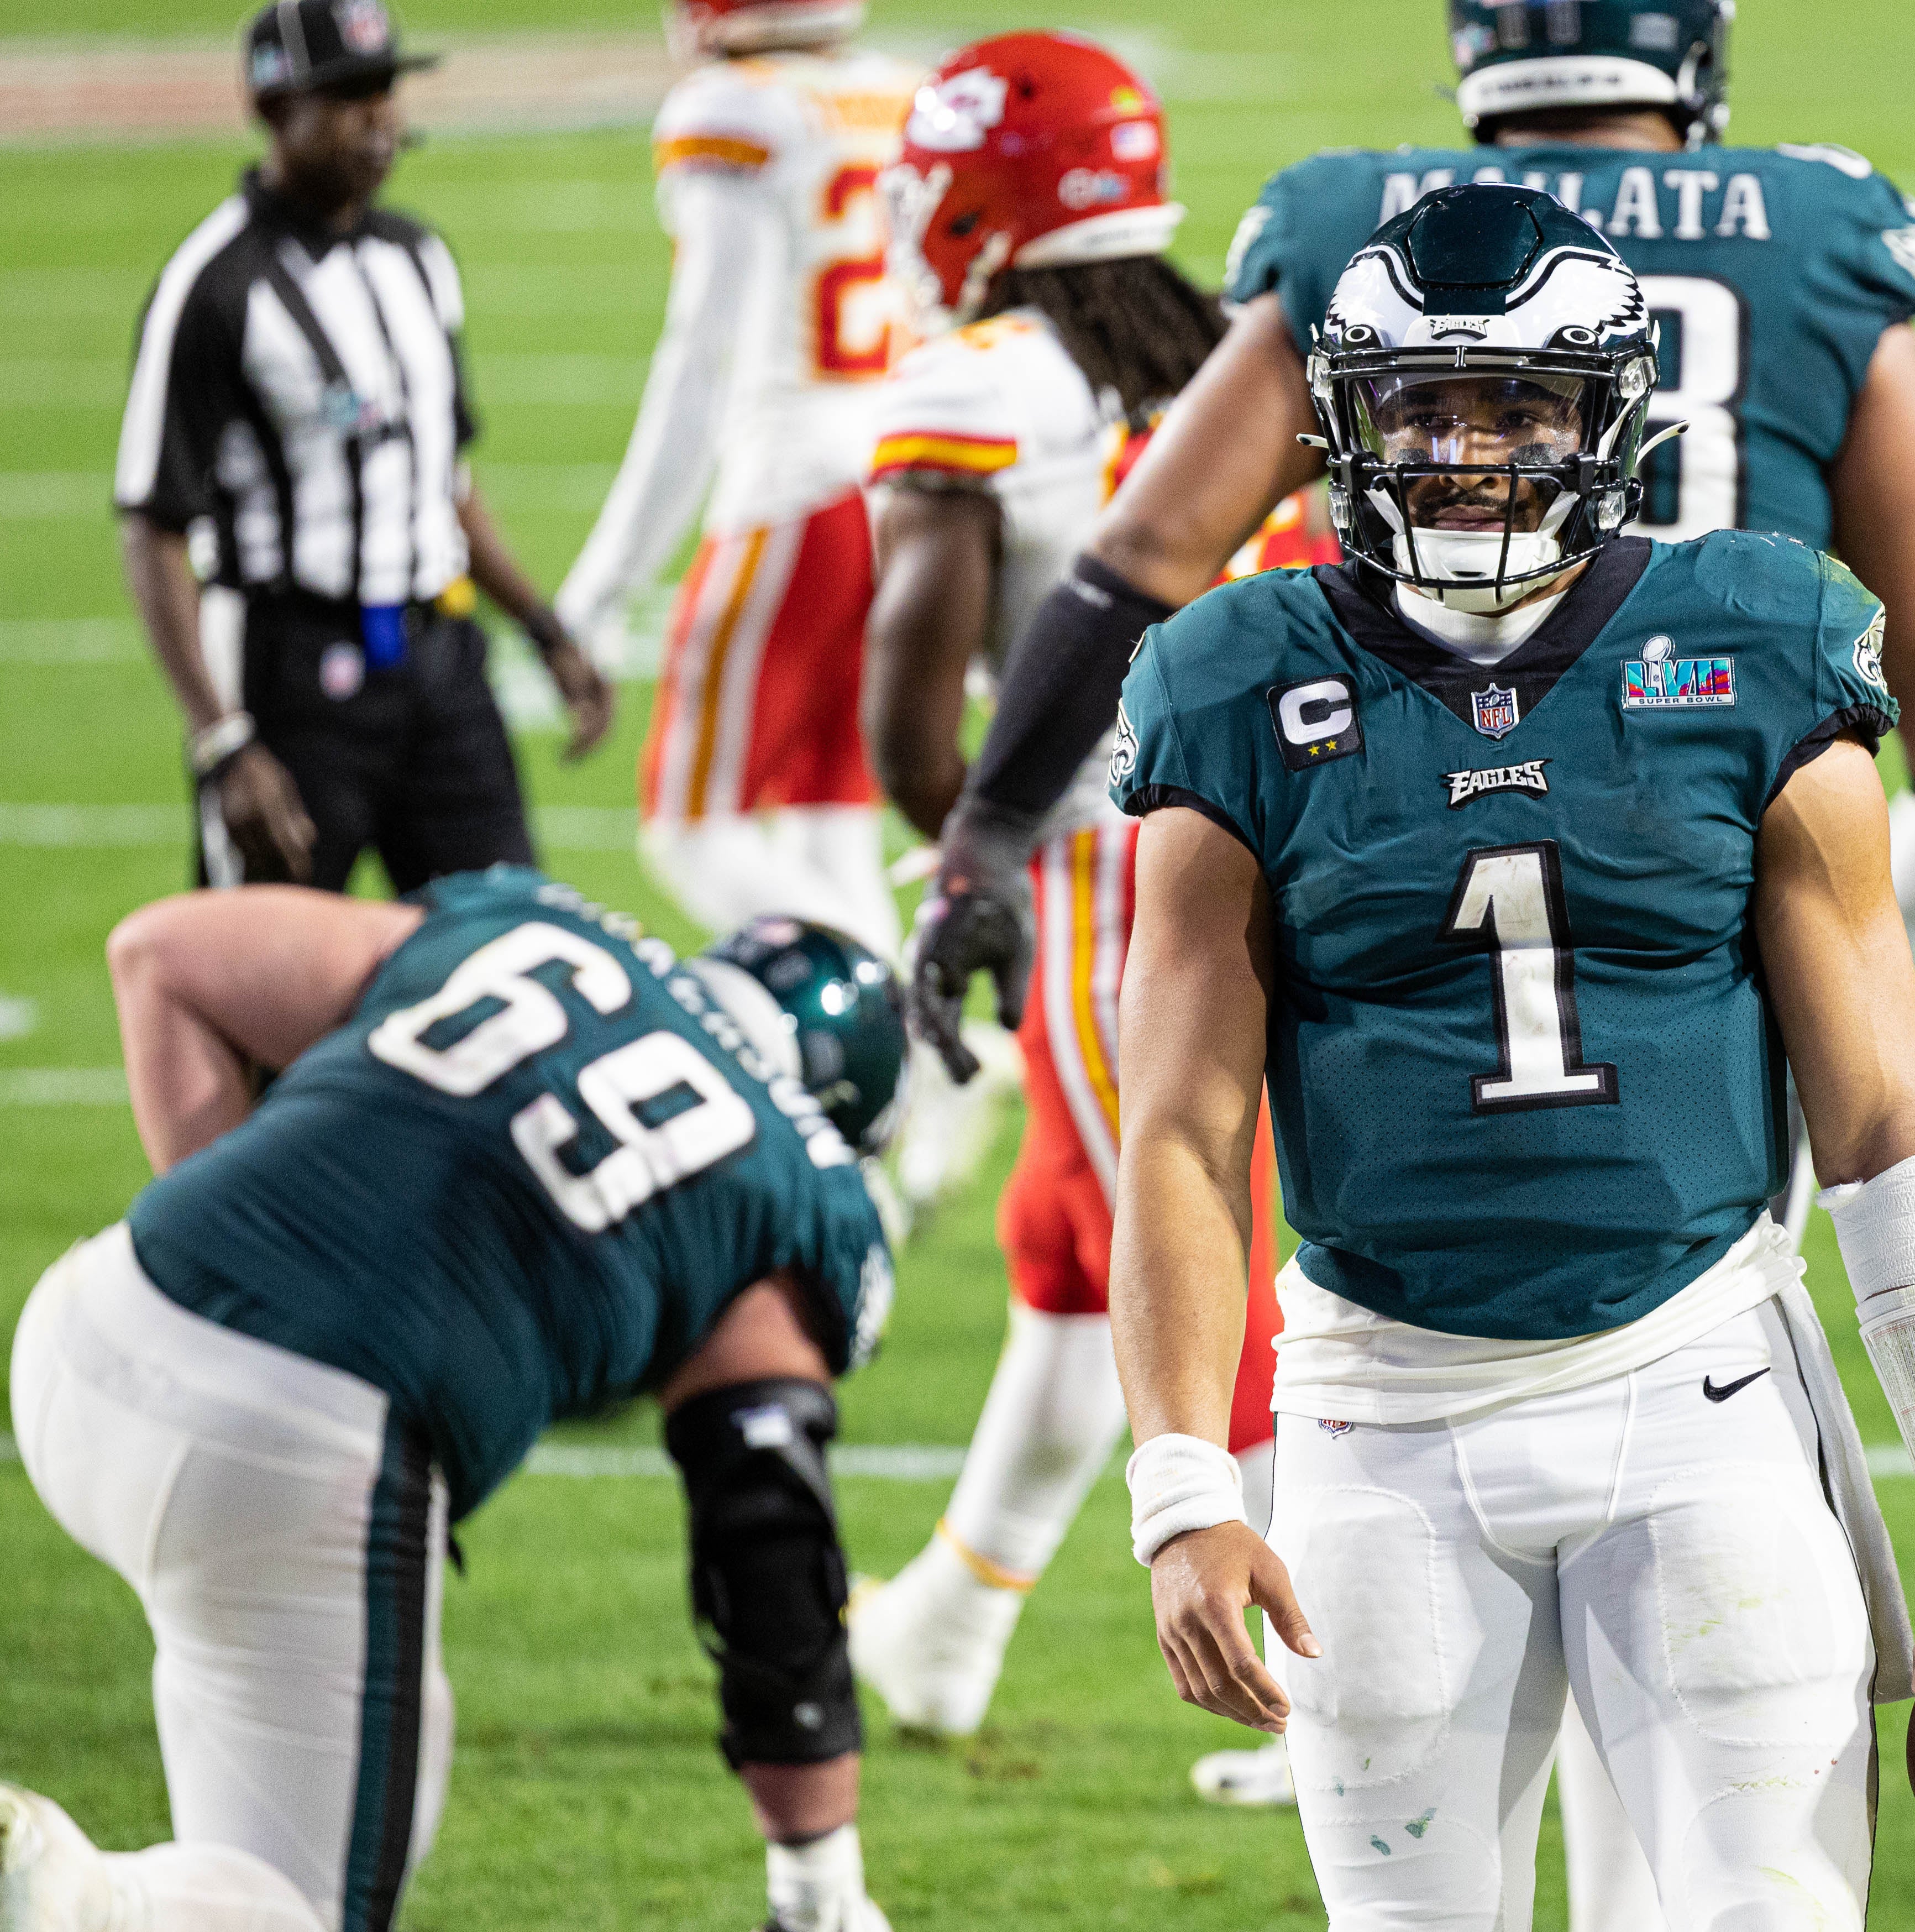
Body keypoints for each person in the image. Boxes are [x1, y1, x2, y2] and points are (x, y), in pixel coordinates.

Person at [1105, 184, 1915, 1928]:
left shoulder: (1755, 643)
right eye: (1420, 404)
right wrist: (1180, 1495)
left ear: (1610, 415)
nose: (1463, 450)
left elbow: (1882, 1120)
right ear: (1349, 422)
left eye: (1514, 402)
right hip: (1378, 1416)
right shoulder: (1230, 677)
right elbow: (1182, 1136)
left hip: (1697, 1396)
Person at [908, 0, 1915, 1158]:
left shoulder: (1358, 229)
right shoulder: (1820, 229)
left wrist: (985, 838)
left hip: (1407, 802)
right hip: (1715, 802)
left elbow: (1141, 559)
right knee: (1726, 1226)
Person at [0, 868, 905, 1932]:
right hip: (293, 1441)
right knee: (292, 1909)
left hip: (93, 1321)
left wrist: (254, 1276)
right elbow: (767, 1528)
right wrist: (819, 1889)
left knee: (250, 1851)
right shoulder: (788, 1183)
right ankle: (51, 1889)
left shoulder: (535, 929)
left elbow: (163, 954)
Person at [840, 32, 1326, 1744]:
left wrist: (971, 848)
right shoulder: (1223, 351)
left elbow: (915, 737)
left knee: (1199, 1268)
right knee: (1064, 1245)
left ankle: (1328, 1706)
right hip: (1301, 839)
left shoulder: (980, 384)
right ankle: (950, 1629)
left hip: (1125, 887)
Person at [117, 0, 612, 897]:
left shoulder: (418, 257)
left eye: (385, 90)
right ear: (273, 109)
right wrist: (224, 742)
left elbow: (445, 481)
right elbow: (153, 527)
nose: (379, 119)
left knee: (512, 945)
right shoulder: (215, 285)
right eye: (346, 97)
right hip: (292, 673)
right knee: (271, 990)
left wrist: (543, 627)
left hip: (441, 658)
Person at [552, 0, 921, 960]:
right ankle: (913, 1079)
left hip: (795, 489)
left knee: (690, 830)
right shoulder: (896, 93)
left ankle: (908, 1021)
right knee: (829, 824)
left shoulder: (736, 110)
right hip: (895, 486)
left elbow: (700, 361)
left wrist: (604, 583)